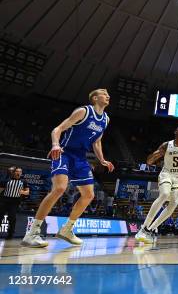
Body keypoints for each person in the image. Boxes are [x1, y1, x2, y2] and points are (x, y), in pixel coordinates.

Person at [22, 89, 115, 248]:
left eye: (108, 94)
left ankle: (67, 229)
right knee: (59, 188)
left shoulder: (105, 119)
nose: (107, 95)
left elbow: (97, 142)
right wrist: (55, 144)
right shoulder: (83, 111)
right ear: (94, 97)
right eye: (103, 93)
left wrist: (102, 160)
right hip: (64, 152)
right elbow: (57, 129)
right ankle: (32, 233)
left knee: (89, 194)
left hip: (80, 157)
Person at [0, 167, 29, 239]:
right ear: (14, 172)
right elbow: (0, 190)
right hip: (4, 200)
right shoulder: (7, 180)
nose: (18, 173)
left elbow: (27, 192)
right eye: (17, 171)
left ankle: (10, 234)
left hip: (15, 202)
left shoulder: (23, 181)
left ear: (21, 173)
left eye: (20, 171)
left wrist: (23, 192)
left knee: (12, 218)